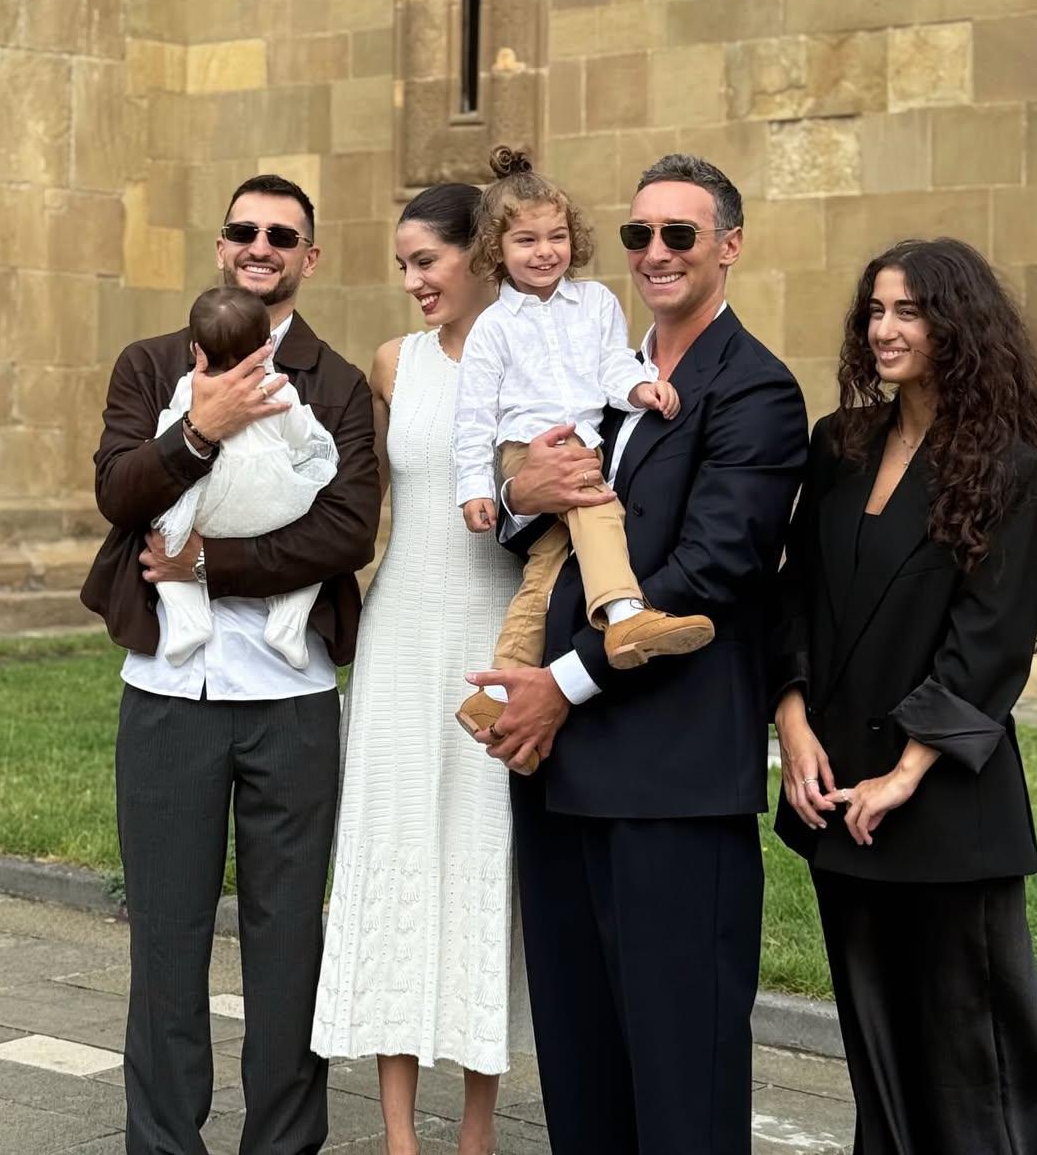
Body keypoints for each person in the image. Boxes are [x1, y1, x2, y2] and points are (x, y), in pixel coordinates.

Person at [470, 153, 809, 1155]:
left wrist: (561, 683)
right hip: (559, 775)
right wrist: (518, 494)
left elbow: (711, 566)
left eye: (679, 234)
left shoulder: (754, 388)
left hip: (669, 780)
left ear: (729, 246)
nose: (655, 252)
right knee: (581, 1074)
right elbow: (543, 521)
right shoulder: (601, 369)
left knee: (680, 1079)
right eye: (638, 234)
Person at [81, 172, 380, 1155]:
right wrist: (198, 430)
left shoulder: (337, 383)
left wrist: (211, 562)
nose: (261, 245)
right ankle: (164, 1142)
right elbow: (120, 492)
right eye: (244, 230)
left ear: (309, 257)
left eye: (282, 235)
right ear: (221, 247)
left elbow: (346, 527)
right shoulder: (150, 363)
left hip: (293, 698)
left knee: (288, 938)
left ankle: (283, 1144)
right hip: (169, 692)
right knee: (166, 936)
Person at [771, 237, 1037, 1154]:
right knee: (879, 1055)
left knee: (978, 1062)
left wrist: (904, 773)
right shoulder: (840, 442)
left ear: (958, 325)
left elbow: (989, 639)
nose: (886, 329)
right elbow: (795, 592)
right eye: (877, 310)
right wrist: (792, 724)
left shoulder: (1009, 465)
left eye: (911, 311)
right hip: (836, 796)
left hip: (943, 806)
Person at [311, 183, 526, 1155]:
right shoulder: (393, 361)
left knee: (485, 856)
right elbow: (352, 495)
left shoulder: (533, 353)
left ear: (478, 253)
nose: (411, 280)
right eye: (402, 263)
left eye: (425, 260)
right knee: (393, 853)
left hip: (495, 628)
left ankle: (476, 1135)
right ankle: (399, 1137)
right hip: (399, 633)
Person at [454, 147, 713, 760]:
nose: (545, 252)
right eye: (526, 241)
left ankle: (494, 694)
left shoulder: (596, 302)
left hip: (586, 440)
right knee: (600, 509)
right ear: (496, 249)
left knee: (544, 572)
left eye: (557, 237)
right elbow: (472, 417)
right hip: (529, 449)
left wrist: (639, 387)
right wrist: (475, 489)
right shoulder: (492, 327)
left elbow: (611, 365)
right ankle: (623, 615)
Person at [152, 286, 338, 670]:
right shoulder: (278, 388)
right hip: (275, 508)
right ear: (266, 347)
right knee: (312, 552)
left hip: (208, 511)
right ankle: (288, 623)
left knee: (164, 538)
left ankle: (188, 621)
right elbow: (301, 436)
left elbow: (166, 438)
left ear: (196, 350)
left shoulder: (189, 387)